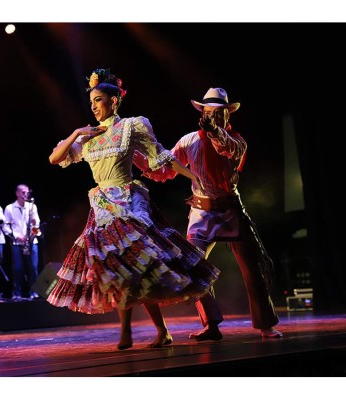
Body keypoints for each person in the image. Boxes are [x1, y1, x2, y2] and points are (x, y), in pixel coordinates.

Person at [46, 68, 220, 350]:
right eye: (91, 101)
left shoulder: (131, 126)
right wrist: (77, 132)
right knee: (125, 274)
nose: (93, 106)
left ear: (114, 102)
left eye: (99, 100)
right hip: (102, 211)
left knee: (136, 270)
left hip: (128, 206)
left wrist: (194, 177)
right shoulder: (87, 137)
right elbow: (55, 158)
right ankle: (157, 331)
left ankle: (134, 332)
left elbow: (160, 156)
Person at [137, 87, 282, 340]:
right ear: (201, 113)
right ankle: (211, 324)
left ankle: (265, 324)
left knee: (253, 268)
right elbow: (166, 169)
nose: (213, 118)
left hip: (231, 211)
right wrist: (140, 161)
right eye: (208, 113)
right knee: (193, 266)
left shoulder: (236, 141)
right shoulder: (189, 140)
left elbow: (229, 150)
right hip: (202, 213)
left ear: (227, 115)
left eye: (218, 114)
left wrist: (215, 132)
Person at [4, 184, 41, 301]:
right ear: (17, 193)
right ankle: (17, 293)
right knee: (17, 268)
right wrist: (16, 236)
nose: (26, 194)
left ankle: (34, 292)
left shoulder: (32, 207)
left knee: (33, 268)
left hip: (31, 241)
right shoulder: (10, 208)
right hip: (17, 243)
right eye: (23, 192)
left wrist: (34, 227)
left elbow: (37, 225)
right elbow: (5, 226)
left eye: (27, 192)